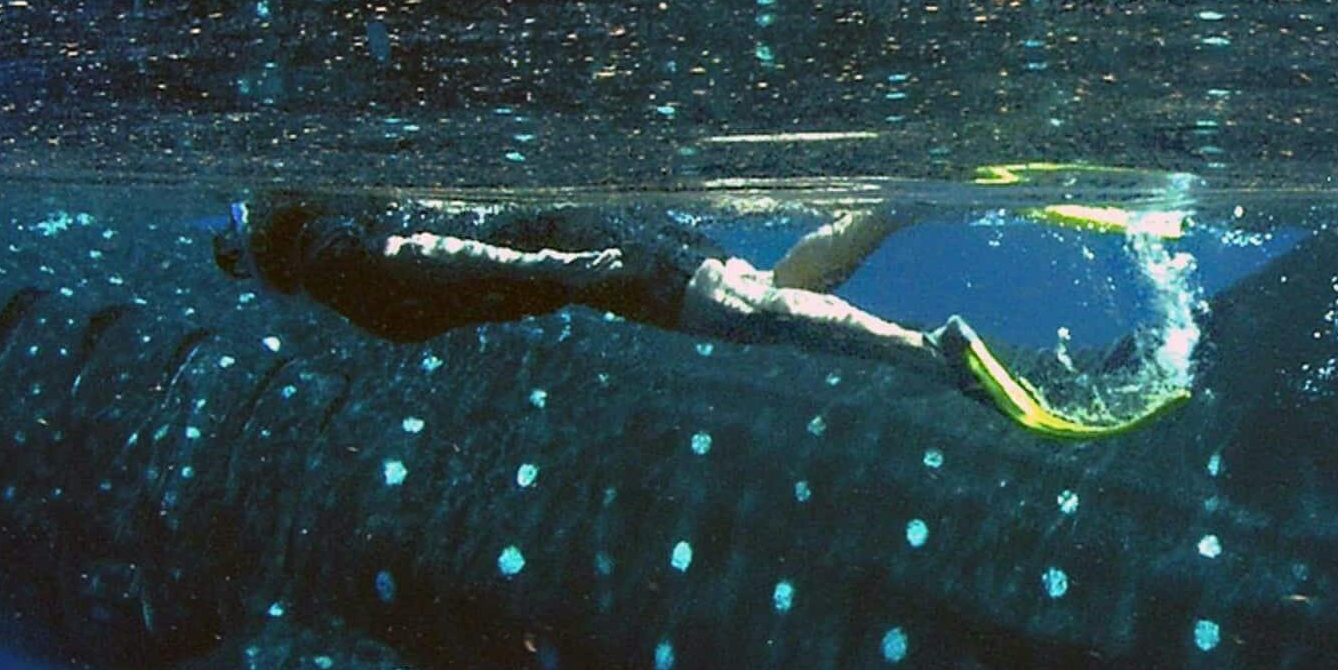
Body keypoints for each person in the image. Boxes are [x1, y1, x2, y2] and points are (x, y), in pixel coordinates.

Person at [212, 195, 1185, 437]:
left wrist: (553, 267)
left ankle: (933, 356)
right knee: (768, 287)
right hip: (597, 234)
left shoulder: (329, 258)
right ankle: (900, 205)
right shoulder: (343, 227)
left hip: (592, 258)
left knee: (760, 312)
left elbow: (430, 256)